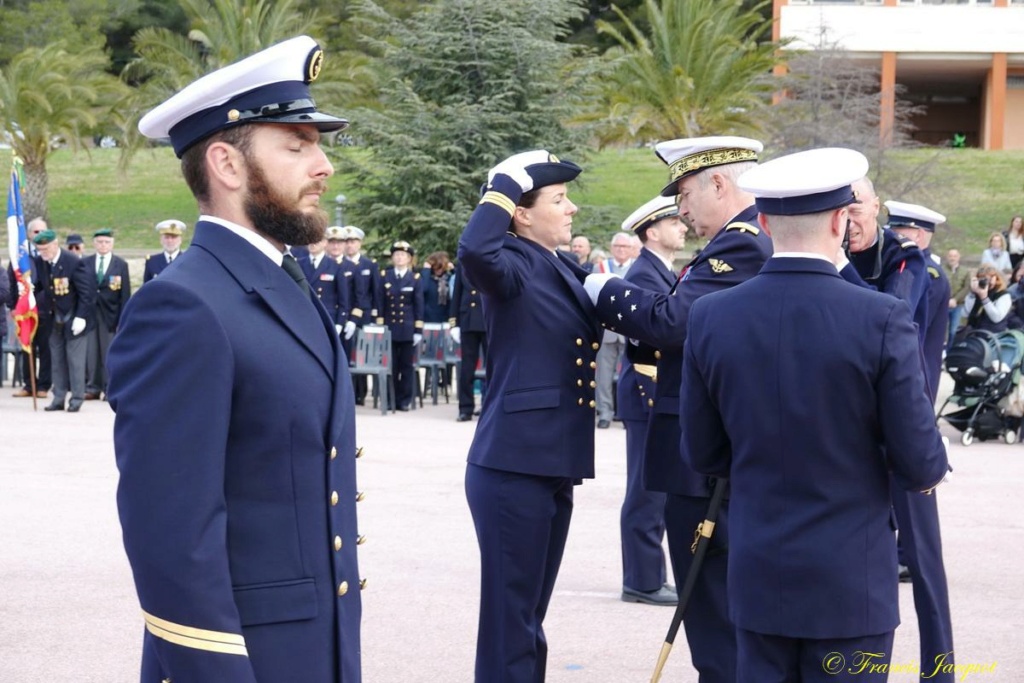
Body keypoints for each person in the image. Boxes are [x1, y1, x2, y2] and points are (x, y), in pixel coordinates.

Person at [105, 36, 361, 682]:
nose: (323, 164)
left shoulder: (284, 281)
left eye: (318, 145)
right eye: (297, 146)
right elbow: (173, 541)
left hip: (311, 651)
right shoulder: (184, 307)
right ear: (226, 163)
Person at [683, 147, 949, 683]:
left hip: (759, 575)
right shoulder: (880, 316)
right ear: (839, 220)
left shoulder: (712, 315)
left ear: (763, 221)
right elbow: (921, 462)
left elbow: (703, 452)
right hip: (851, 580)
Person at [584, 136, 772, 682]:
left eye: (686, 194)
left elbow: (673, 324)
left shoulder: (741, 244)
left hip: (706, 463)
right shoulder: (738, 241)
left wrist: (605, 290)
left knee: (713, 603)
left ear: (719, 183)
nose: (682, 211)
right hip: (707, 450)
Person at [459, 150, 600, 683]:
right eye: (559, 200)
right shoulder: (511, 263)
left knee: (527, 615)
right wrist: (504, 184)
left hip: (549, 460)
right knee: (510, 618)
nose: (572, 209)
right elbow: (474, 247)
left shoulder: (557, 263)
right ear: (521, 213)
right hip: (514, 464)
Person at [615, 195, 686, 607]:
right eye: (673, 223)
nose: (682, 227)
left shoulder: (660, 271)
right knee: (645, 489)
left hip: (656, 392)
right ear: (652, 231)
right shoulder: (644, 273)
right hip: (648, 391)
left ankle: (649, 575)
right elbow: (651, 338)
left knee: (655, 487)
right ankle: (641, 579)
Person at [841, 176, 929, 336]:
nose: (848, 222)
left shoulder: (903, 255)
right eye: (840, 213)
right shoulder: (826, 249)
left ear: (875, 207)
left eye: (855, 211)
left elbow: (896, 315)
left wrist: (842, 267)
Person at [885, 201, 950, 398]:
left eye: (899, 230)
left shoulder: (927, 273)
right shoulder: (905, 266)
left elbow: (910, 323)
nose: (891, 235)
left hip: (916, 377)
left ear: (919, 235)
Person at [34, 229, 95, 412]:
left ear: (55, 244)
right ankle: (58, 398)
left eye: (46, 249)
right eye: (40, 249)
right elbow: (42, 286)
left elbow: (87, 293)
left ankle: (76, 399)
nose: (43, 253)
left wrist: (81, 317)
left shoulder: (73, 262)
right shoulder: (41, 262)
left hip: (74, 318)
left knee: (75, 362)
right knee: (57, 361)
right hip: (54, 319)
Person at [82, 228, 131, 400]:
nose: (103, 245)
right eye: (100, 242)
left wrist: (123, 320)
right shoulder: (86, 263)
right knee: (91, 353)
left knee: (108, 352)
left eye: (107, 242)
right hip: (90, 314)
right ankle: (93, 387)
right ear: (94, 243)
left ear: (112, 244)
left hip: (110, 315)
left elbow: (125, 295)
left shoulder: (120, 264)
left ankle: (109, 387)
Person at [593, 232, 634, 428]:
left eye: (625, 247)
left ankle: (625, 412)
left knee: (629, 375)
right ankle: (605, 413)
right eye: (617, 246)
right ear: (612, 248)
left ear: (631, 249)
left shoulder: (638, 268)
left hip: (631, 331)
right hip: (607, 329)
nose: (621, 250)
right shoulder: (600, 268)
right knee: (603, 375)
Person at [377, 240, 424, 411]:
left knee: (406, 366)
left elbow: (419, 305)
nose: (399, 258)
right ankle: (391, 399)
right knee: (392, 366)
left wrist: (418, 329)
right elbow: (380, 302)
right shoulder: (385, 276)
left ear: (409, 258)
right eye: (396, 255)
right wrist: (381, 325)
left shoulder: (415, 278)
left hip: (408, 328)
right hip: (390, 327)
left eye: (403, 255)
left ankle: (404, 400)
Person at [9, 218, 52, 398]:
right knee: (27, 346)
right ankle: (29, 384)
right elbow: (13, 282)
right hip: (25, 309)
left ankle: (43, 385)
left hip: (44, 308)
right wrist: (12, 306)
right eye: (36, 232)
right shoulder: (20, 255)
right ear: (28, 234)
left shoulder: (49, 253)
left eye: (43, 231)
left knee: (45, 348)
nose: (39, 235)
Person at [341, 225, 379, 405]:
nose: (350, 245)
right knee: (346, 354)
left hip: (364, 316)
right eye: (347, 242)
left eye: (353, 241)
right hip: (345, 315)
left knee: (361, 356)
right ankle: (349, 391)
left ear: (360, 243)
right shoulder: (338, 264)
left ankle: (361, 393)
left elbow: (376, 293)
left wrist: (375, 318)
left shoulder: (369, 265)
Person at [449, 261, 487, 422]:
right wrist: (454, 322)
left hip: (488, 321)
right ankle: (465, 408)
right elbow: (457, 293)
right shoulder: (463, 264)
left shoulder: (494, 259)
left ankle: (488, 405)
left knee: (493, 366)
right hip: (468, 320)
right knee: (467, 368)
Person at [299, 235, 352, 340]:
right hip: (303, 316)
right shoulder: (299, 264)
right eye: (310, 241)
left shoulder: (335, 266)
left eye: (317, 241)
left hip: (327, 317)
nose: (312, 244)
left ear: (324, 243)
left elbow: (343, 299)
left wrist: (340, 323)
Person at [963, 264, 1012, 334]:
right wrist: (972, 294)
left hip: (992, 337)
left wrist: (984, 299)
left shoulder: (1004, 295)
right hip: (973, 334)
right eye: (982, 278)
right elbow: (965, 313)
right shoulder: (977, 292)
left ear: (997, 278)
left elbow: (996, 318)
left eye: (990, 277)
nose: (987, 281)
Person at [944, 248, 970, 347]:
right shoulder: (941, 269)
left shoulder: (965, 271)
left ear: (959, 257)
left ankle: (950, 351)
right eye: (950, 256)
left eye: (955, 256)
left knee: (953, 330)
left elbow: (966, 287)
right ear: (947, 257)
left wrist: (955, 299)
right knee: (942, 330)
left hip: (958, 305)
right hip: (944, 305)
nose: (952, 258)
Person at [421, 251, 454, 324]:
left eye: (441, 268)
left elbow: (458, 287)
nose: (439, 270)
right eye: (436, 267)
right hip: (428, 319)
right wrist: (426, 270)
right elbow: (424, 289)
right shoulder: (426, 278)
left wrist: (453, 270)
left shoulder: (449, 278)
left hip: (446, 319)